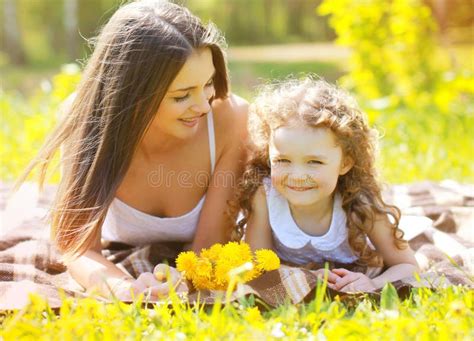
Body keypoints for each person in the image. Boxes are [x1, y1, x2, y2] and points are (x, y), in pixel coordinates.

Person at [17, 0, 248, 300]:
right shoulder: (86, 119)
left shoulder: (230, 119)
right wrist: (125, 288)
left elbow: (209, 245)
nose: (203, 105)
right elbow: (78, 247)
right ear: (133, 94)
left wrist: (183, 280)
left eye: (207, 83)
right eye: (181, 96)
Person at [234, 77, 418, 293]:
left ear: (345, 163)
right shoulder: (265, 196)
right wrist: (307, 277)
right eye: (282, 160)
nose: (298, 176)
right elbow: (258, 268)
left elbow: (408, 265)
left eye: (314, 162)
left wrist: (373, 284)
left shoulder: (360, 202)